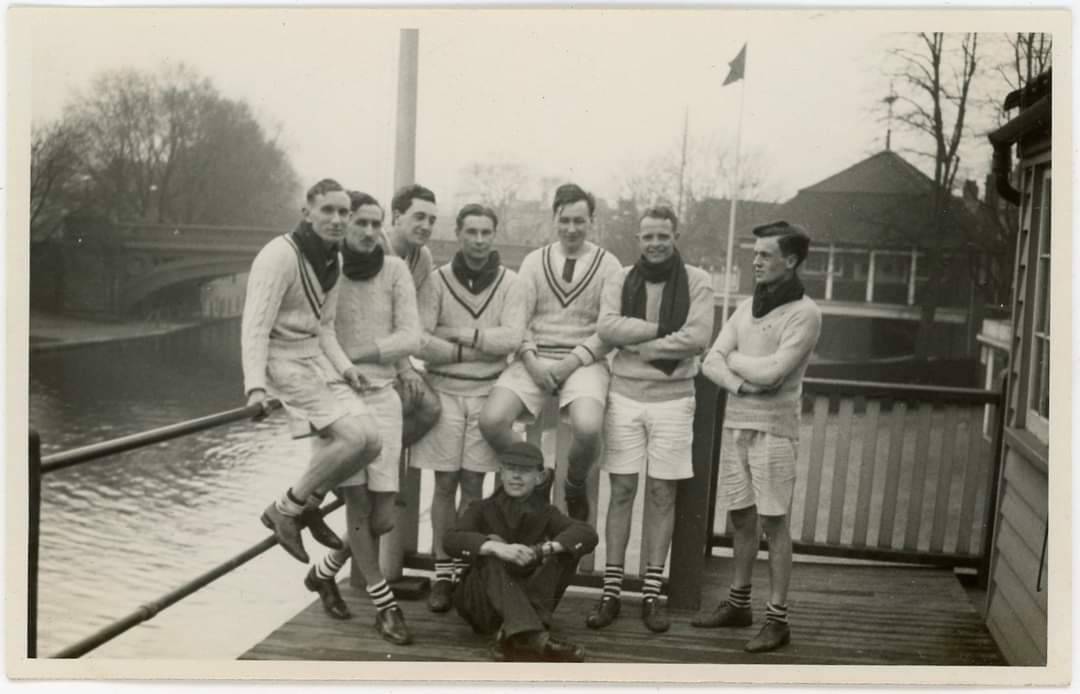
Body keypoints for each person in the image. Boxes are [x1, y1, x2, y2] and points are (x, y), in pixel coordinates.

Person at [695, 221, 822, 653]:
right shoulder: (747, 306)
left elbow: (774, 373)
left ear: (791, 260)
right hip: (738, 423)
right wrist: (743, 383)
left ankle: (778, 618)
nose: (756, 260)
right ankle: (738, 604)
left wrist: (734, 360)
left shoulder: (805, 313)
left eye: (765, 254)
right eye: (755, 253)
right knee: (742, 518)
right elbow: (711, 361)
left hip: (775, 430)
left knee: (774, 522)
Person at [241, 178, 382, 565]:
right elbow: (255, 326)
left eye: (343, 213)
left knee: (372, 440)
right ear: (307, 212)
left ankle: (307, 502)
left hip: (315, 360)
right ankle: (285, 510)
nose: (337, 220)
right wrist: (255, 388)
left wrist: (346, 368)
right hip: (281, 362)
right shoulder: (279, 256)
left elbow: (324, 328)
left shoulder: (331, 258)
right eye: (328, 211)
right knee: (352, 437)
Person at [589, 205, 714, 633]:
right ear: (637, 239)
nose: (655, 243)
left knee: (662, 495)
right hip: (624, 396)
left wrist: (638, 338)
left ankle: (651, 593)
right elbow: (607, 327)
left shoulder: (698, 281)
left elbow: (698, 337)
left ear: (675, 236)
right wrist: (662, 332)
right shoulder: (619, 278)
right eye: (648, 236)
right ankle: (610, 590)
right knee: (621, 491)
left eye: (663, 235)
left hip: (674, 399)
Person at [302, 191, 419, 645]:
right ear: (345, 224)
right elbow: (311, 333)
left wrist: (366, 354)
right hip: (336, 396)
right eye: (360, 223)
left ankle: (323, 575)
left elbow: (411, 335)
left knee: (384, 517)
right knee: (357, 506)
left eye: (376, 223)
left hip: (382, 393)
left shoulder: (395, 270)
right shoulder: (325, 268)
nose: (369, 232)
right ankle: (385, 606)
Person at [479, 183, 622, 521]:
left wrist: (572, 361)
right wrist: (531, 360)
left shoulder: (608, 263)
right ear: (554, 219)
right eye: (565, 220)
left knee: (587, 428)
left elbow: (608, 329)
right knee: (492, 420)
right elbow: (519, 320)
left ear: (591, 222)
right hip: (534, 357)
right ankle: (538, 476)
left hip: (584, 361)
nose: (571, 229)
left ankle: (573, 483)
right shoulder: (533, 261)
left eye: (579, 221)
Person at [412, 203, 526, 613]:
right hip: (442, 392)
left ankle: (464, 568)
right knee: (444, 484)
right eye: (471, 232)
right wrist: (481, 342)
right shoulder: (437, 280)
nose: (478, 240)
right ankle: (442, 570)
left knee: (474, 487)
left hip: (487, 392)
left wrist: (456, 337)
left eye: (485, 233)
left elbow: (511, 338)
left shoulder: (511, 283)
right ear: (458, 234)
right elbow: (422, 340)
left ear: (494, 235)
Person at [444, 441, 597, 662]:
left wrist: (542, 550)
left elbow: (587, 534)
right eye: (510, 469)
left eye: (524, 471)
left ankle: (513, 633)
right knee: (491, 550)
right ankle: (536, 638)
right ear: (501, 472)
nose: (516, 476)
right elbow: (450, 540)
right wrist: (496, 548)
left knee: (565, 548)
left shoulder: (547, 513)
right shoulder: (481, 508)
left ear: (540, 477)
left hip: (528, 599)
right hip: (482, 606)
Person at [380, 184, 443, 446]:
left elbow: (408, 320)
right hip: (361, 354)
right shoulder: (375, 249)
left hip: (393, 355)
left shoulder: (422, 257)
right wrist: (405, 368)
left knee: (429, 408)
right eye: (419, 217)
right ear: (396, 216)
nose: (426, 226)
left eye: (431, 220)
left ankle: (380, 463)